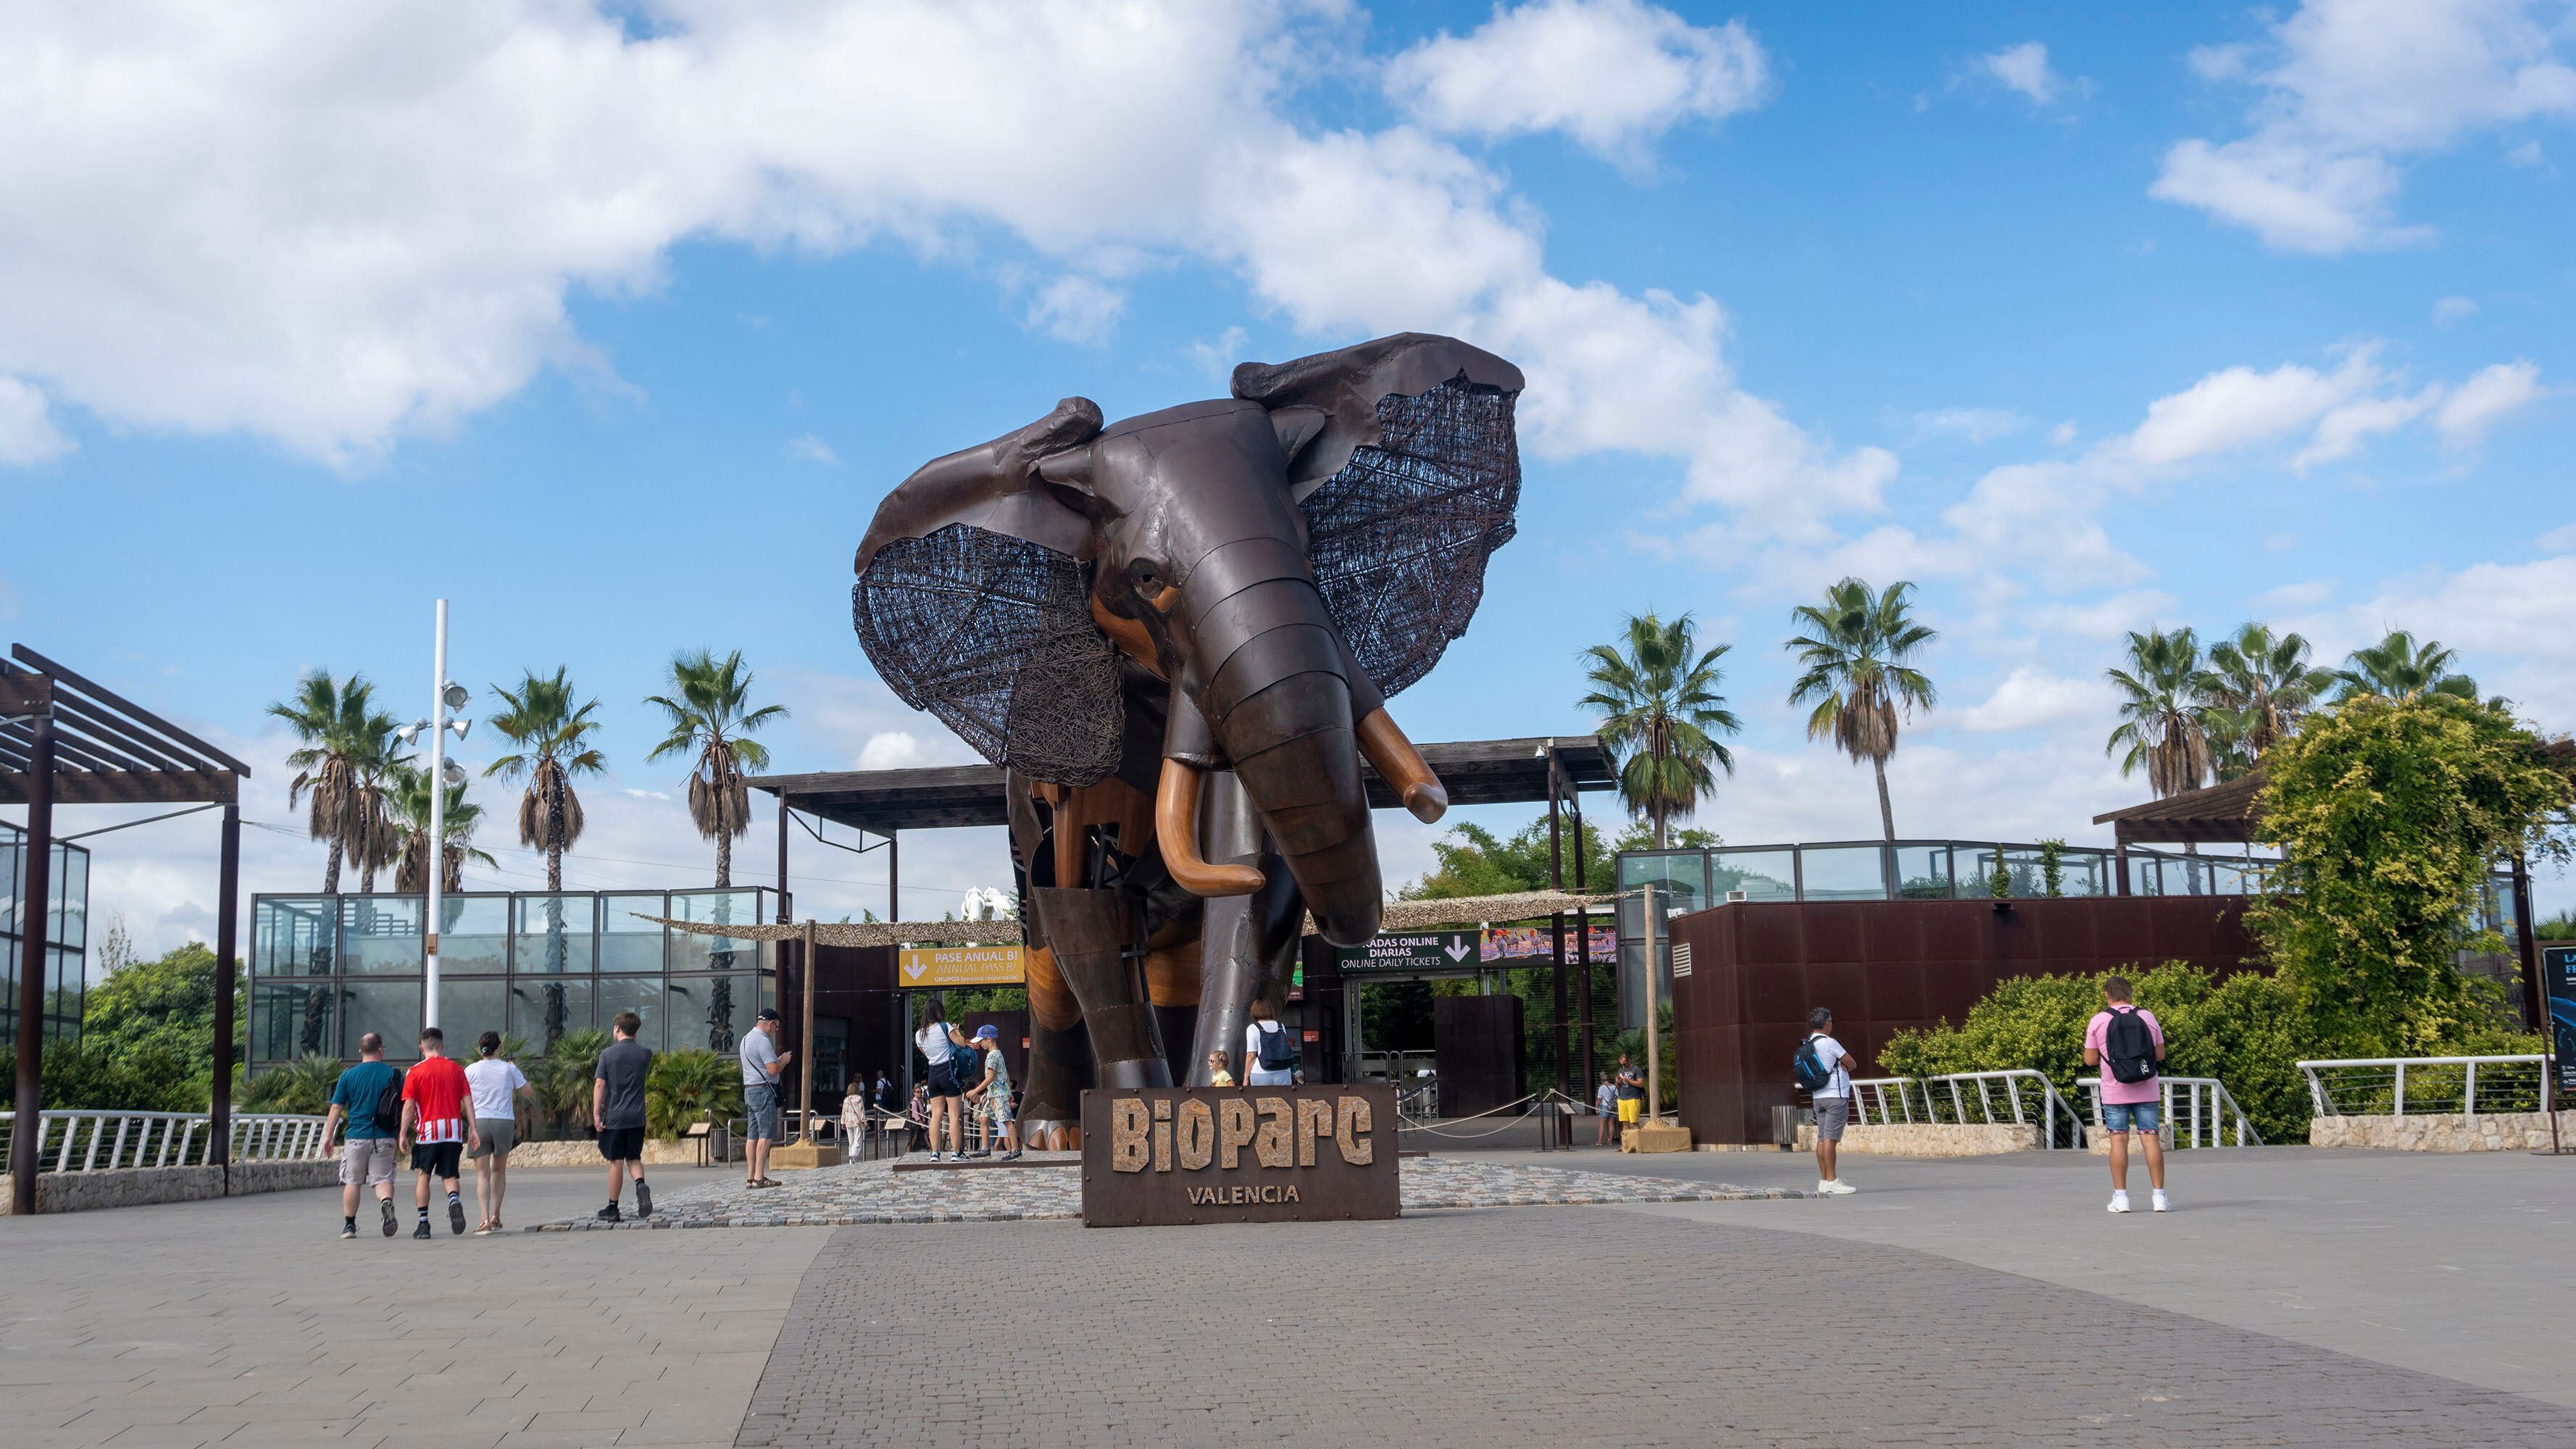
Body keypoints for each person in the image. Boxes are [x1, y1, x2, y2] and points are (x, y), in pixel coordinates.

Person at [2085, 976, 2169, 1214]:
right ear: (2130, 994)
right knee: (2150, 1140)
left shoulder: (2099, 1020)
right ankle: (2159, 1198)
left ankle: (2121, 1199)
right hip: (2147, 1087)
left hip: (2114, 1090)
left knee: (2118, 1141)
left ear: (2107, 994)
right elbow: (2160, 1055)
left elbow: (2090, 1059)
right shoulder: (2147, 1017)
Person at [396, 1027, 478, 1239]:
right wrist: (473, 1130)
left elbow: (409, 1105)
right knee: (449, 1175)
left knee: (423, 1176)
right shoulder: (457, 1069)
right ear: (441, 1046)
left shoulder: (415, 1072)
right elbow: (468, 1100)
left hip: (428, 1132)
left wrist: (403, 1133)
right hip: (453, 1131)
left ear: (421, 1047)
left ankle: (423, 1224)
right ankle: (453, 1199)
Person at [321, 1032, 403, 1239]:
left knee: (353, 1181)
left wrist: (329, 1136)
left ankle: (349, 1226)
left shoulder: (348, 1076)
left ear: (360, 1051)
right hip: (384, 1136)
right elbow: (405, 1105)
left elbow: (336, 1108)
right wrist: (402, 1133)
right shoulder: (394, 1075)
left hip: (356, 1136)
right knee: (383, 1179)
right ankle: (386, 1202)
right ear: (381, 1050)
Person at [463, 1030, 533, 1235]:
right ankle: (496, 1216)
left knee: (482, 1175)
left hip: (480, 1122)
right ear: (499, 1048)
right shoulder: (508, 1069)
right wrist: (514, 1072)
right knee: (499, 1171)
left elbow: (463, 1097)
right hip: (504, 1122)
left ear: (480, 1049)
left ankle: (484, 1219)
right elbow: (528, 1092)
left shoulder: (471, 1070)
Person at [593, 1010, 654, 1222]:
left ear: (617, 1028)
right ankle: (640, 1185)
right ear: (635, 1031)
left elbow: (600, 1085)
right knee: (634, 1158)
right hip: (637, 1117)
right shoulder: (645, 1054)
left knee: (616, 1161)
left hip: (616, 1117)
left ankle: (613, 1208)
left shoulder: (607, 1054)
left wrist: (596, 1113)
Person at [1801, 1008, 1858, 1196]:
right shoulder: (1830, 1043)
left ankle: (1824, 1180)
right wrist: (1843, 1064)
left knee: (1822, 1138)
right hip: (1835, 1096)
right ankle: (1833, 1180)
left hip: (1818, 1096)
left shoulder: (1809, 1043)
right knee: (1830, 1139)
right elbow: (1852, 1063)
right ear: (1827, 1024)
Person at [740, 1006, 791, 1187]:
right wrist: (783, 1061)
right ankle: (759, 1177)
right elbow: (772, 1070)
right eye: (776, 1026)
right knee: (766, 1134)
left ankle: (750, 1178)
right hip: (763, 1091)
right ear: (770, 1023)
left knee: (752, 1136)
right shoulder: (762, 1041)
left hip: (749, 1090)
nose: (776, 1030)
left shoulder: (745, 1039)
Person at [916, 999, 972, 1160]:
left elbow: (926, 1053)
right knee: (954, 1115)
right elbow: (962, 1044)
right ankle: (956, 1152)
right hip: (949, 1073)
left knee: (936, 1115)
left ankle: (935, 1153)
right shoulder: (945, 1027)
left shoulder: (919, 1034)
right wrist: (957, 1031)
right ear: (938, 1012)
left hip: (933, 1074)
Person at [963, 1024, 1021, 1159]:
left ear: (989, 1039)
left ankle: (1015, 1150)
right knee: (983, 1119)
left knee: (1007, 1121)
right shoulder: (999, 1054)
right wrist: (1009, 1091)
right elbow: (1006, 1074)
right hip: (995, 1095)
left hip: (998, 1095)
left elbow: (990, 1078)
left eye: (981, 1041)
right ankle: (985, 1150)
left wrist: (976, 1090)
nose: (980, 1044)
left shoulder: (991, 1056)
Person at [1243, 998, 1298, 1087]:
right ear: (1270, 1010)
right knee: (1284, 1096)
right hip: (1283, 1071)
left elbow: (1251, 1055)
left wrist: (1246, 1077)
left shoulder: (1253, 1028)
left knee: (1261, 1096)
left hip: (1261, 1072)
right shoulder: (1281, 1026)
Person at [1613, 1053, 1644, 1135]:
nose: (1623, 1065)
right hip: (1622, 1098)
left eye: (1624, 1064)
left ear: (1629, 1060)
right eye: (1621, 1064)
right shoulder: (1620, 1070)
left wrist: (1629, 1080)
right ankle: (1626, 1142)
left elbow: (1640, 1084)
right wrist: (1617, 1082)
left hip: (1633, 1098)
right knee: (1625, 1123)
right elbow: (1617, 1087)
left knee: (1635, 1123)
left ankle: (1637, 1141)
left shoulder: (1636, 1069)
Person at [1593, 1072, 1618, 1147]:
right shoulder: (1614, 1087)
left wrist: (1596, 1107)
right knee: (1611, 1124)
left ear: (1601, 1080)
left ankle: (1600, 1141)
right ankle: (1610, 1141)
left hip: (1605, 1107)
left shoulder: (1602, 1088)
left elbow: (1599, 1099)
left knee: (1602, 1125)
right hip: (1613, 1107)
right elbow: (1617, 1098)